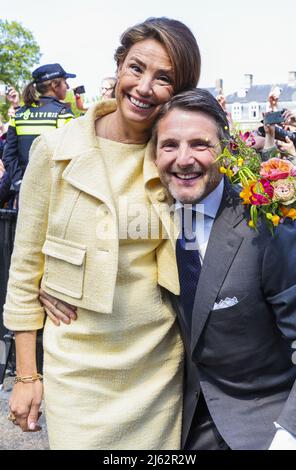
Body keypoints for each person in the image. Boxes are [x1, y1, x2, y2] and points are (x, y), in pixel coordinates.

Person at [4, 17, 201, 450]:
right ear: (118, 66)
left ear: (180, 89)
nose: (144, 87)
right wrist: (26, 376)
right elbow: (24, 270)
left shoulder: (181, 160)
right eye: (136, 68)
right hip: (76, 369)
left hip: (156, 369)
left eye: (164, 78)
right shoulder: (54, 151)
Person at [153, 88, 296, 450]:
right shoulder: (148, 221)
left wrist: (290, 434)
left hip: (264, 423)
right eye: (169, 145)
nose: (183, 159)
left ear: (227, 150)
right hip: (178, 425)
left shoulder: (267, 225)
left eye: (200, 145)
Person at [2, 64, 75, 194]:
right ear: (54, 85)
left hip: (25, 192)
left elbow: (8, 156)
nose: (68, 87)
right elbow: (73, 157)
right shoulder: (63, 113)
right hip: (54, 193)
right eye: (65, 82)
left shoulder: (19, 115)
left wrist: (20, 183)